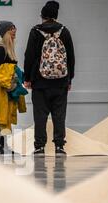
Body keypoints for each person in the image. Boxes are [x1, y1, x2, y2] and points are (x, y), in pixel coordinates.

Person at [24, 1, 75, 155]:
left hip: (40, 83)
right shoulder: (64, 32)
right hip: (60, 82)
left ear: (43, 16)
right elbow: (71, 57)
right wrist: (69, 79)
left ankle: (39, 146)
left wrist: (27, 78)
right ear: (56, 16)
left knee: (40, 116)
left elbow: (29, 56)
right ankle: (59, 146)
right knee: (59, 115)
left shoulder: (35, 32)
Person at [0, 21, 27, 155]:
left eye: (15, 28)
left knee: (5, 118)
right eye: (11, 29)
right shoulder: (0, 48)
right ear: (5, 32)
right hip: (1, 89)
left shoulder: (8, 48)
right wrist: (10, 84)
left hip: (9, 88)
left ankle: (4, 146)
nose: (15, 30)